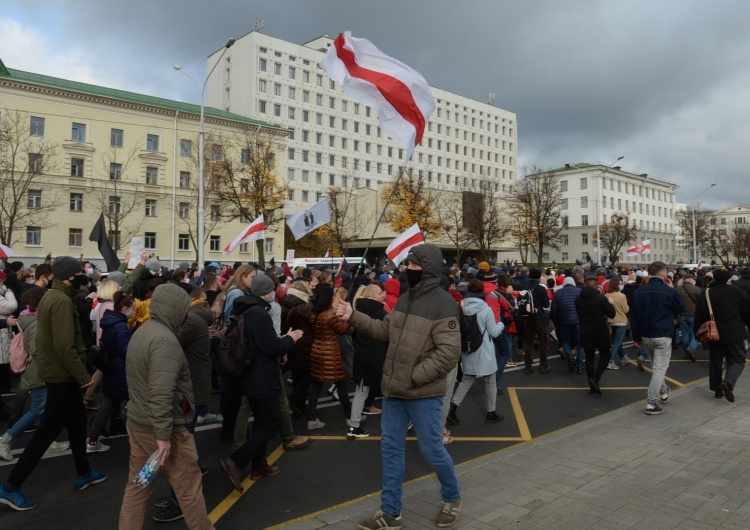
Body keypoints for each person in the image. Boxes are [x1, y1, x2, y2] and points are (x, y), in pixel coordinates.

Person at [337, 244, 463, 530]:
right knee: (390, 449)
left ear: (427, 268)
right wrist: (353, 316)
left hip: (422, 392)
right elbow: (385, 330)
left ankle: (452, 497)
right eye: (407, 265)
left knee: (431, 450)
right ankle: (390, 513)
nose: (408, 269)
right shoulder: (406, 299)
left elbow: (448, 353)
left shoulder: (444, 303)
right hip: (394, 392)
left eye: (414, 266)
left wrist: (414, 376)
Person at [0, 256, 105, 511]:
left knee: (77, 424)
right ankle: (11, 488)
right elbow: (64, 345)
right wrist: (84, 377)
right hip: (62, 376)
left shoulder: (55, 296)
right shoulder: (59, 300)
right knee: (46, 432)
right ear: (69, 276)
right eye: (80, 272)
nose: (84, 275)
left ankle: (84, 473)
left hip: (60, 375)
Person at [119, 283, 213, 530]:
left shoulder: (142, 331)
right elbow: (161, 393)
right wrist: (163, 437)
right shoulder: (166, 341)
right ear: (178, 310)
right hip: (165, 431)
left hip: (139, 424)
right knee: (189, 489)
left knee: (138, 486)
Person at [218, 275, 303, 492]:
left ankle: (259, 466)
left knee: (261, 421)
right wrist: (290, 339)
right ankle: (236, 461)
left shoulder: (244, 309)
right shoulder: (260, 314)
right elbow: (272, 347)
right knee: (272, 422)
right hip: (262, 376)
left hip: (248, 374)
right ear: (268, 291)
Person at [0, 287, 70, 461]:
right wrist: (48, 374)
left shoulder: (26, 317)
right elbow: (39, 351)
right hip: (40, 372)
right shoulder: (38, 323)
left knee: (46, 410)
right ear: (40, 302)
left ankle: (48, 440)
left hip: (38, 371)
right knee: (37, 410)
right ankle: (5, 440)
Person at [630, 261, 685, 415]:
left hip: (646, 334)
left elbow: (634, 317)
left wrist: (636, 337)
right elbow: (680, 307)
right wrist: (672, 289)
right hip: (663, 334)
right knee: (659, 369)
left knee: (656, 367)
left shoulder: (639, 292)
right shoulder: (668, 291)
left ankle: (663, 389)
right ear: (663, 274)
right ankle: (651, 402)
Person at [448, 279, 504, 424]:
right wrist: (501, 324)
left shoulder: (461, 307)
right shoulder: (486, 309)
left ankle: (452, 408)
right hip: (484, 349)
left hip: (468, 348)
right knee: (490, 382)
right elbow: (493, 332)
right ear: (481, 292)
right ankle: (491, 412)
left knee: (467, 379)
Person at [87, 291, 135, 452]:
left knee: (107, 404)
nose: (133, 312)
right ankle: (145, 438)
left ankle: (93, 439)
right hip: (121, 371)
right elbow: (125, 351)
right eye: (131, 308)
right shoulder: (121, 327)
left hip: (112, 370)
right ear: (124, 308)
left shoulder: (110, 322)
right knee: (138, 404)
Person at [694, 269, 750, 402]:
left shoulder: (705, 293)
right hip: (734, 331)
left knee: (716, 362)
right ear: (727, 279)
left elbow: (699, 316)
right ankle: (728, 382)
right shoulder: (735, 291)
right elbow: (745, 304)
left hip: (714, 333)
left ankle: (717, 390)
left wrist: (697, 334)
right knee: (738, 359)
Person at [306, 283, 351, 430]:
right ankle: (350, 417)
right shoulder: (330, 313)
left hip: (317, 348)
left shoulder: (314, 311)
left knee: (317, 384)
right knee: (341, 384)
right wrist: (346, 319)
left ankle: (312, 419)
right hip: (330, 351)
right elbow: (342, 330)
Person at [348, 284, 388, 439]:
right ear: (372, 295)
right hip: (378, 355)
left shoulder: (357, 308)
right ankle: (406, 422)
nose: (383, 295)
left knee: (360, 391)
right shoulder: (379, 311)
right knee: (391, 391)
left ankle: (354, 426)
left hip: (362, 354)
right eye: (380, 293)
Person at [576, 275, 616, 395]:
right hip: (599, 331)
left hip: (585, 330)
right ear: (597, 286)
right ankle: (595, 378)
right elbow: (612, 314)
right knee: (605, 356)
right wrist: (611, 303)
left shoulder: (578, 299)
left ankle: (592, 385)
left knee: (589, 358)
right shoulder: (601, 299)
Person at [521, 268, 552, 374]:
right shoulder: (540, 288)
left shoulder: (524, 287)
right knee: (543, 341)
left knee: (529, 343)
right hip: (538, 317)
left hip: (526, 317)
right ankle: (543, 365)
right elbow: (546, 304)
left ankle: (528, 366)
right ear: (539, 277)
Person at [550, 277, 584, 374]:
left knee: (565, 341)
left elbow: (554, 310)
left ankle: (570, 357)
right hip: (578, 321)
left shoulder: (558, 293)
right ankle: (580, 366)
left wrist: (557, 322)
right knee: (580, 344)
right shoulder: (579, 291)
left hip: (563, 322)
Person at [675, 274, 701, 362]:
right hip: (694, 314)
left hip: (682, 314)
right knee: (695, 334)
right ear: (690, 280)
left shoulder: (678, 289)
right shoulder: (696, 289)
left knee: (685, 334)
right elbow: (700, 302)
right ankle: (691, 348)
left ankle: (687, 352)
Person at [605, 276, 629, 369]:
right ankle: (611, 361)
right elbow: (626, 310)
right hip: (621, 321)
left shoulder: (606, 295)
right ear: (617, 285)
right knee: (617, 341)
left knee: (617, 341)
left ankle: (623, 357)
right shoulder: (621, 296)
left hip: (611, 321)